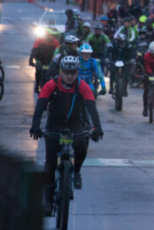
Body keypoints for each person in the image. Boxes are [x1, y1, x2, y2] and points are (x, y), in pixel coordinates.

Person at [30, 55, 103, 215]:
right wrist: (35, 125)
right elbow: (40, 105)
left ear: (77, 72)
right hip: (54, 124)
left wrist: (97, 128)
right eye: (66, 72)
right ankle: (48, 202)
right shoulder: (51, 84)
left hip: (75, 124)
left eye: (73, 73)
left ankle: (76, 171)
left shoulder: (83, 86)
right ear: (61, 71)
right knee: (50, 165)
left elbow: (92, 108)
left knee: (82, 145)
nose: (69, 76)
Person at [29, 28, 60, 93]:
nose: (53, 37)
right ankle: (37, 84)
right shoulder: (39, 40)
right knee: (38, 72)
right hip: (40, 59)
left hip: (49, 60)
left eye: (53, 35)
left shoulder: (55, 41)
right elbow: (34, 50)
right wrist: (31, 59)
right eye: (51, 35)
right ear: (47, 35)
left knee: (49, 74)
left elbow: (58, 51)